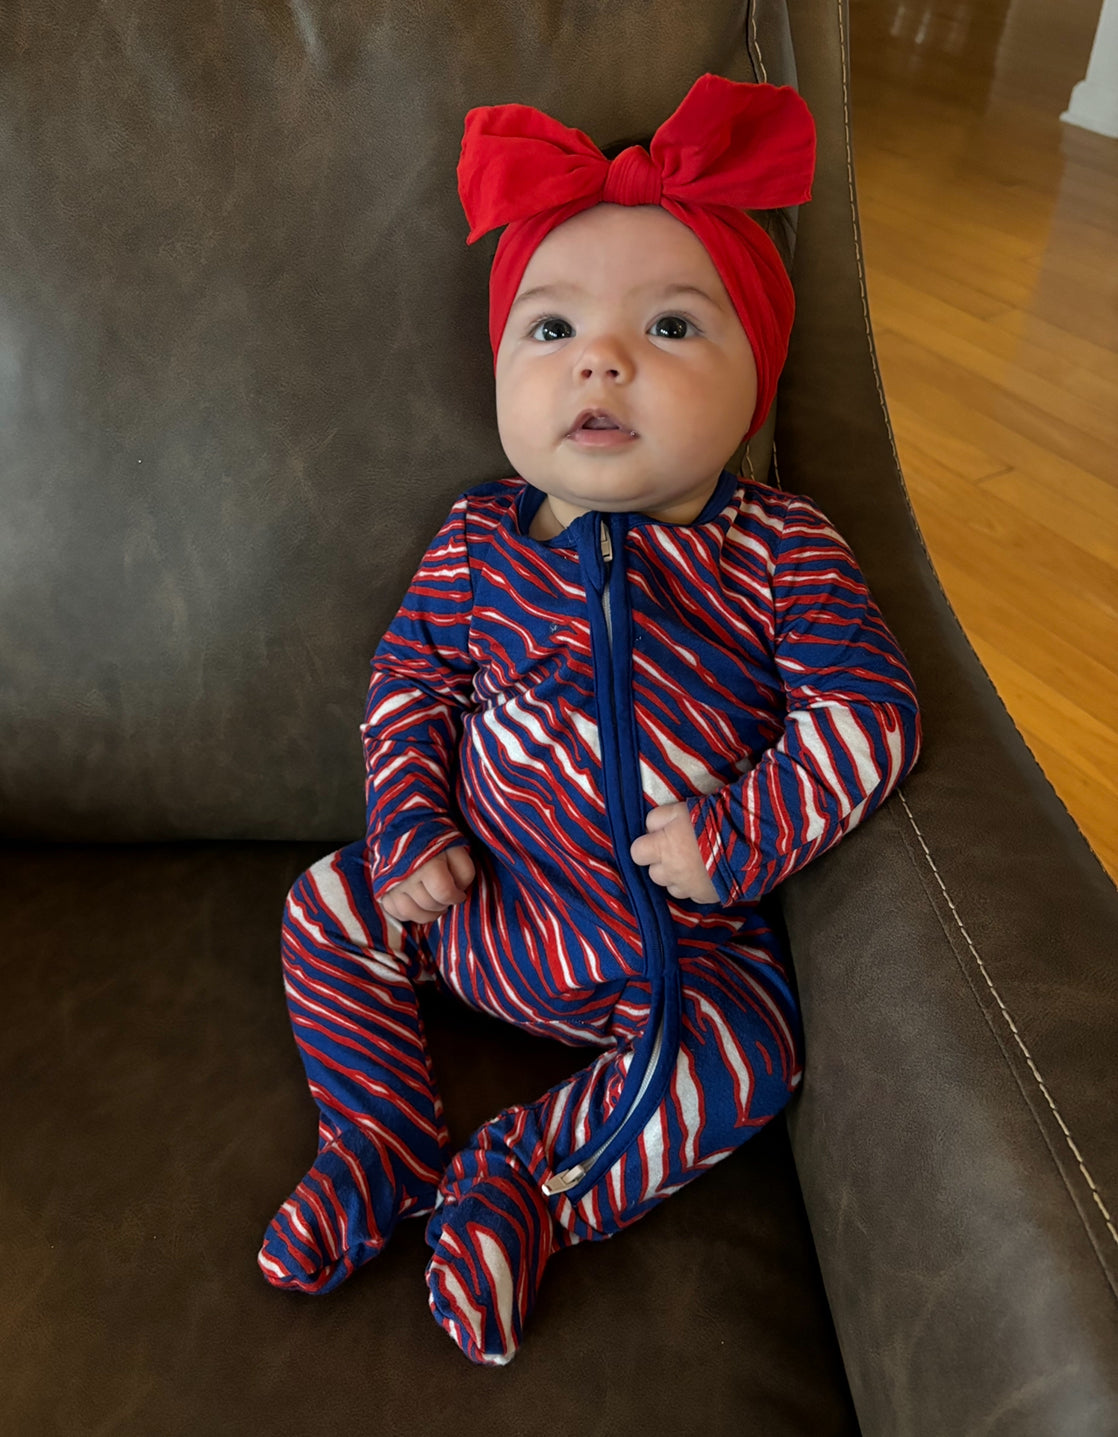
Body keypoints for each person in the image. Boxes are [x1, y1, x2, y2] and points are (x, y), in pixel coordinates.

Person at [257, 73, 922, 1366]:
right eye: (550, 330)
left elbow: (869, 709)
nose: (600, 359)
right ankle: (377, 1140)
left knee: (752, 1050)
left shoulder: (777, 547)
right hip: (484, 908)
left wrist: (741, 835)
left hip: (673, 948)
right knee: (323, 906)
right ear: (505, 379)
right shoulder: (474, 541)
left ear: (754, 386)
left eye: (672, 326)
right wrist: (408, 831)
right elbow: (410, 689)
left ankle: (527, 1179)